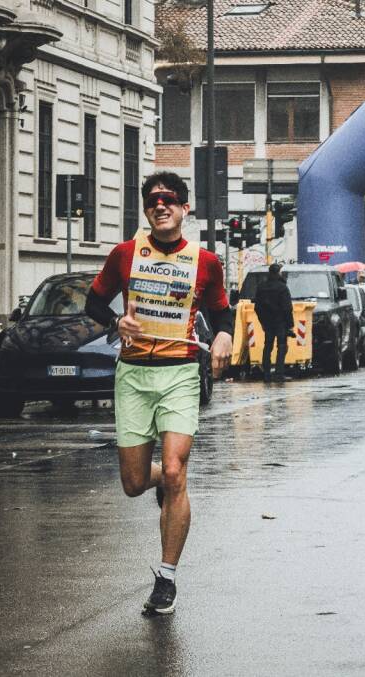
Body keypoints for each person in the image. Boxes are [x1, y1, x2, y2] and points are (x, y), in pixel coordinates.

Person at [84, 171, 234, 616]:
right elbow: (93, 303)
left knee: (175, 470)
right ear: (147, 210)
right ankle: (161, 483)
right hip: (132, 375)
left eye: (169, 199)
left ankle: (166, 578)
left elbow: (223, 313)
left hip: (179, 374)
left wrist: (224, 337)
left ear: (185, 208)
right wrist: (115, 323)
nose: (160, 206)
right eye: (153, 201)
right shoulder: (124, 255)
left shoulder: (206, 262)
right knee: (134, 483)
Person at [254, 263, 295, 383]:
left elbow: (257, 307)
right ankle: (279, 374)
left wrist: (263, 321)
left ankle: (266, 375)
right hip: (280, 322)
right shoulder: (282, 287)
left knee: (267, 346)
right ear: (279, 273)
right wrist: (290, 324)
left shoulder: (261, 287)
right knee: (282, 347)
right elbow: (287, 308)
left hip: (267, 322)